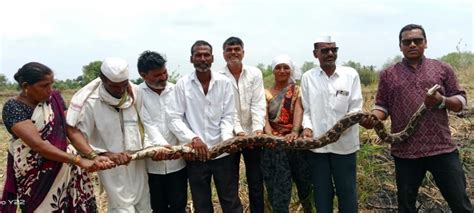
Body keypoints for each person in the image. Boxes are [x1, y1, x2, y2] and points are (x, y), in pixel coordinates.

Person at [360, 24, 473, 212]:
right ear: (400, 46)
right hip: (405, 152)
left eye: (417, 40)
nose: (412, 44)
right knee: (406, 206)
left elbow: (461, 101)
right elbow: (382, 106)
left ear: (425, 43)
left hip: (441, 148)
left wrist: (441, 100)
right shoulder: (388, 74)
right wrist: (373, 118)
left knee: (460, 203)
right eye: (407, 42)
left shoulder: (442, 68)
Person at [0, 62, 114, 212]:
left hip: (68, 170)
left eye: (51, 84)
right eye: (44, 86)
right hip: (36, 176)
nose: (50, 90)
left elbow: (70, 131)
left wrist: (92, 156)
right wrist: (79, 160)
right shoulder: (14, 107)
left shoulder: (55, 99)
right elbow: (38, 145)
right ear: (26, 86)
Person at [66, 57, 152, 212]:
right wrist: (104, 154)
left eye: (123, 85)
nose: (120, 90)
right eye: (114, 86)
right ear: (103, 80)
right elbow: (78, 135)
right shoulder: (91, 102)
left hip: (137, 162)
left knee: (144, 205)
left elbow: (145, 124)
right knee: (122, 208)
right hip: (110, 165)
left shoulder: (135, 93)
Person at [167, 40, 242, 212]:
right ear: (191, 59)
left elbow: (228, 116)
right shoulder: (182, 84)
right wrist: (193, 138)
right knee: (202, 204)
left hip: (222, 155)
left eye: (206, 55)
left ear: (212, 58)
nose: (202, 58)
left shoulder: (224, 83)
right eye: (198, 55)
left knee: (230, 200)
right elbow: (174, 118)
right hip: (196, 156)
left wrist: (225, 142)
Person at [301, 36, 363, 213]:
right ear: (315, 54)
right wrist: (307, 129)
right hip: (318, 147)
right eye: (325, 50)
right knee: (322, 194)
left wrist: (340, 130)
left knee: (347, 193)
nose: (330, 53)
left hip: (345, 146)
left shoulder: (350, 74)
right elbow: (307, 110)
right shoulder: (308, 77)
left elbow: (356, 108)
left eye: (333, 50)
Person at [217, 36, 265, 213]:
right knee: (230, 182)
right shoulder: (219, 77)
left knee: (255, 180)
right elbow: (226, 109)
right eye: (229, 50)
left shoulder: (255, 73)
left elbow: (258, 104)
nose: (233, 52)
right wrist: (238, 133)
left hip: (254, 136)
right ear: (223, 54)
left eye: (237, 49)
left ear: (243, 52)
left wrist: (257, 131)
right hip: (230, 136)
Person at [136, 50, 187, 213]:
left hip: (177, 162)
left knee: (179, 205)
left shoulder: (177, 90)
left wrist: (184, 145)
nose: (163, 77)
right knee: (157, 207)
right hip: (152, 165)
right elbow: (144, 126)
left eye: (164, 72)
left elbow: (182, 122)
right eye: (157, 75)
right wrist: (155, 149)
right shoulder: (136, 95)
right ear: (143, 75)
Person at [262, 55, 312, 213]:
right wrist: (270, 135)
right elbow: (264, 118)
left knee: (305, 185)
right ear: (273, 71)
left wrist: (295, 131)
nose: (282, 71)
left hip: (295, 144)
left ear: (291, 70)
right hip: (273, 146)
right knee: (278, 188)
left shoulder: (296, 91)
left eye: (286, 67)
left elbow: (298, 110)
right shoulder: (265, 93)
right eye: (278, 67)